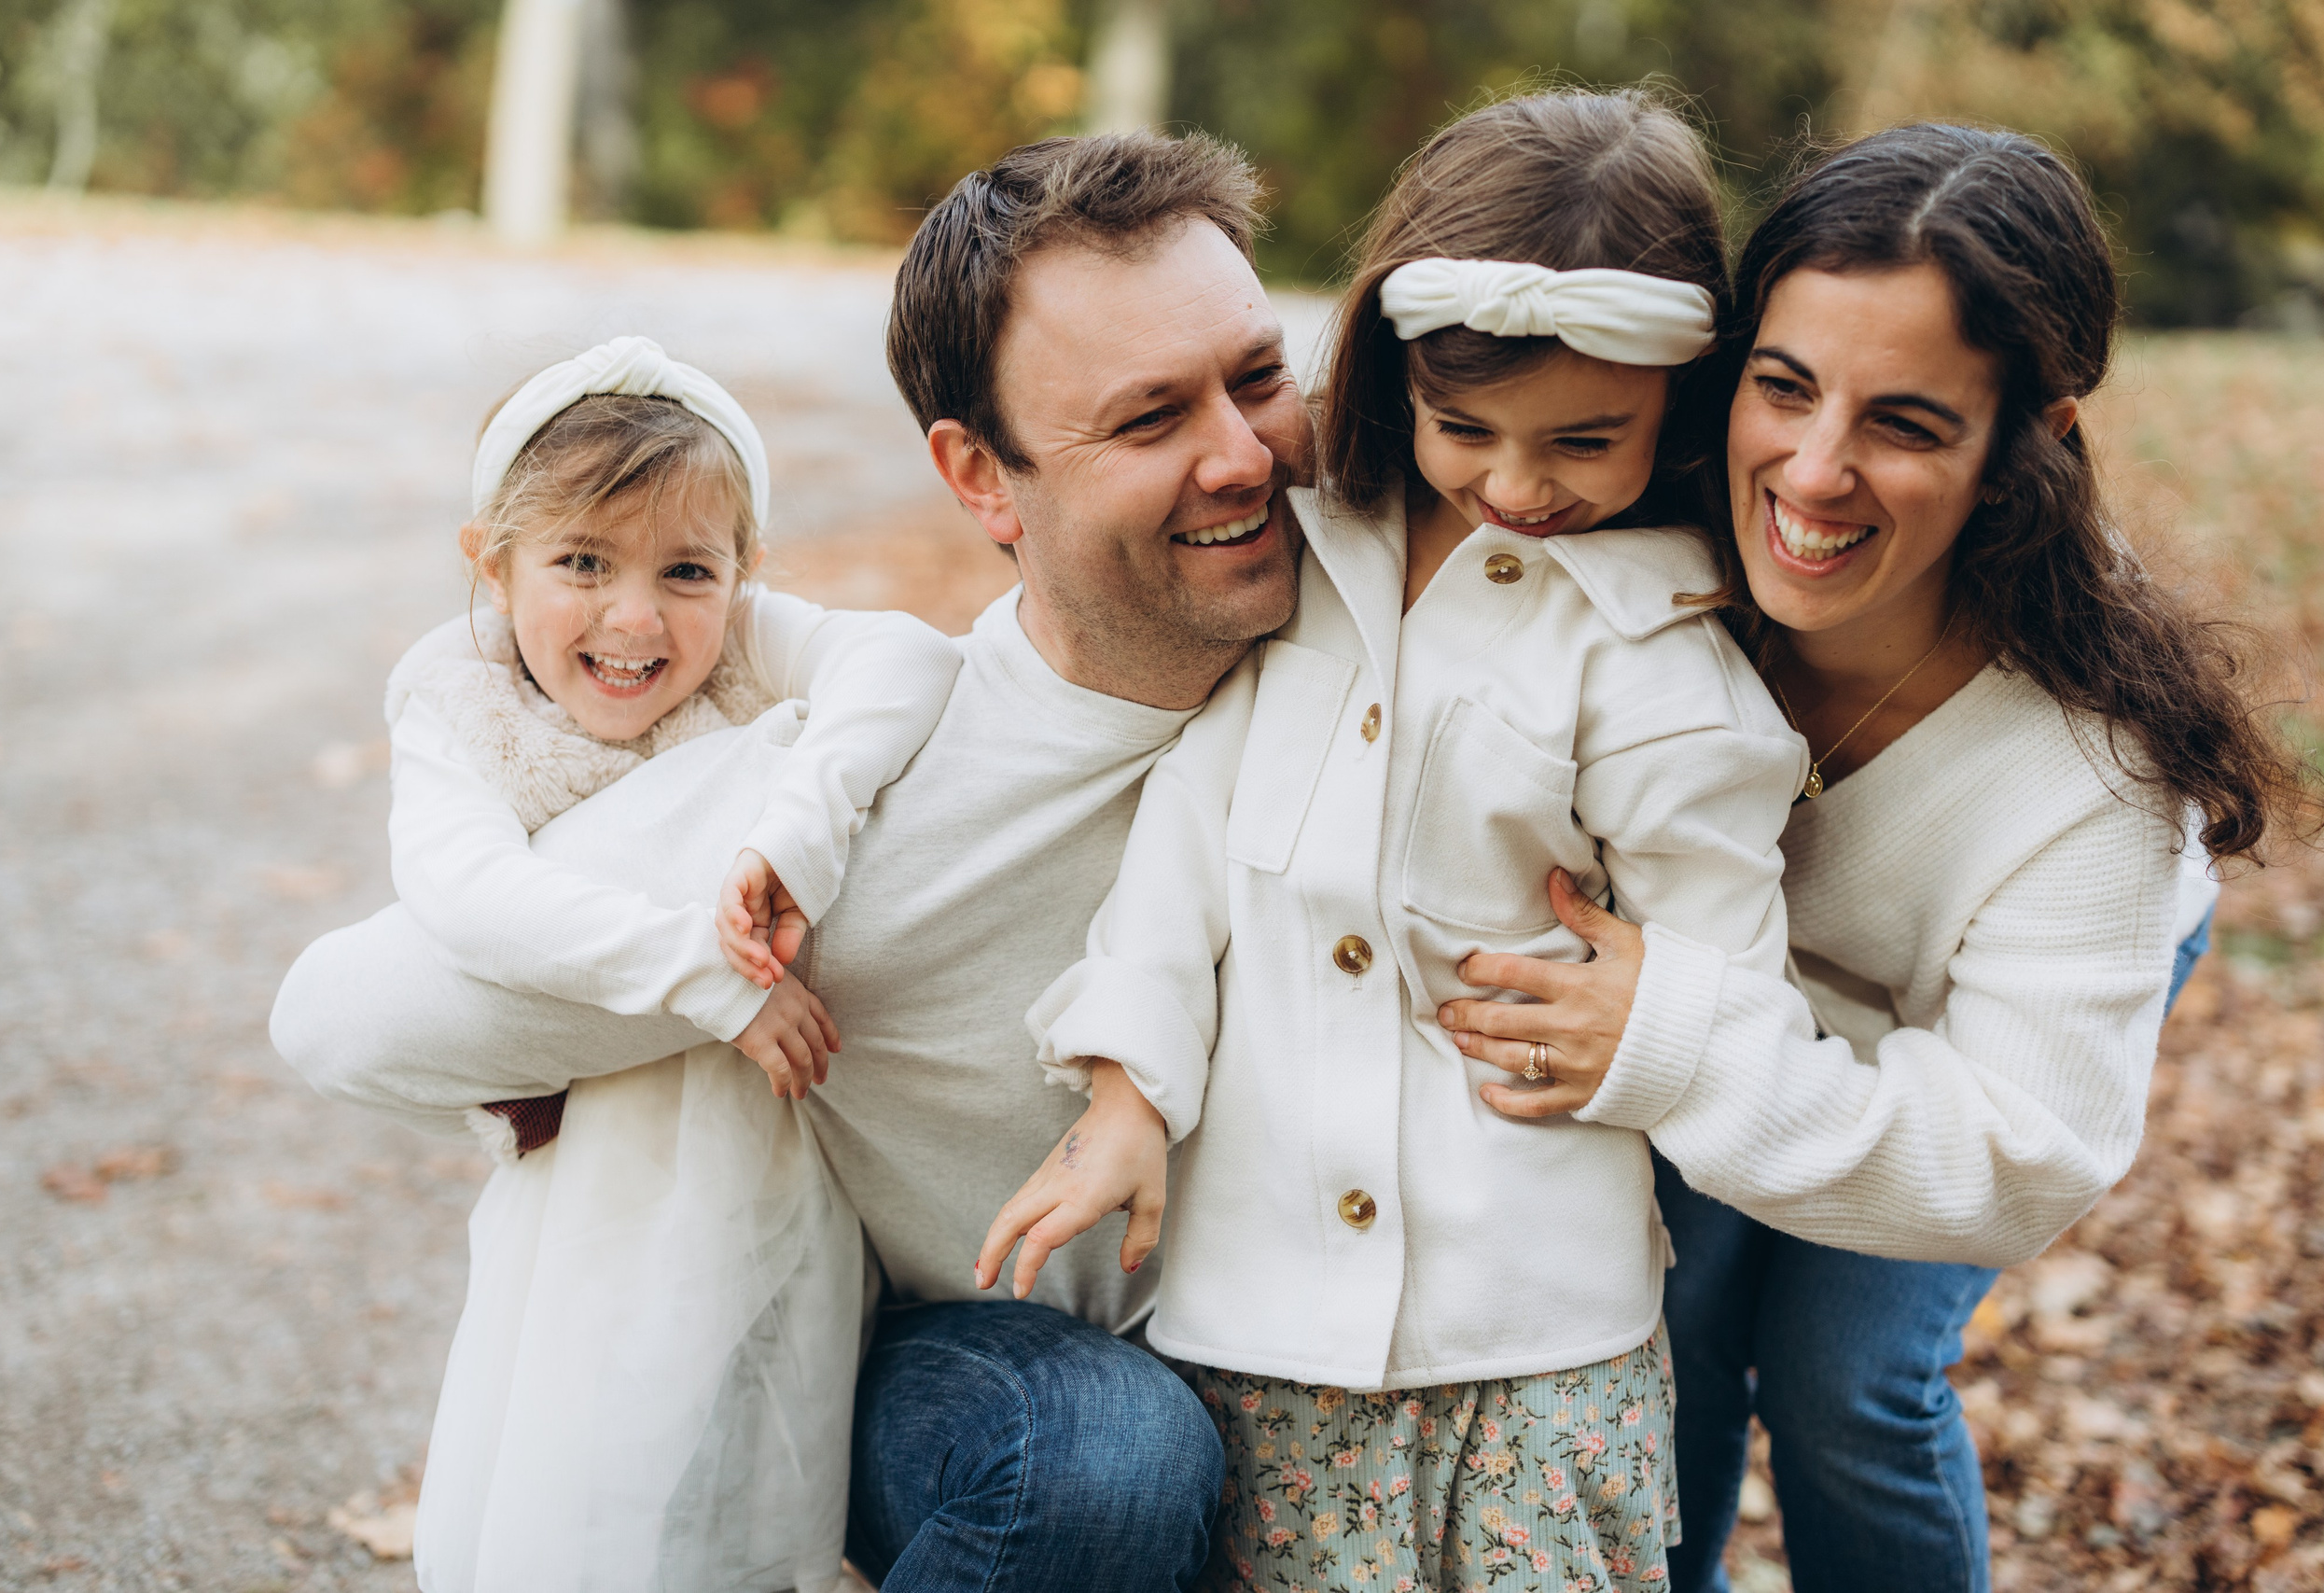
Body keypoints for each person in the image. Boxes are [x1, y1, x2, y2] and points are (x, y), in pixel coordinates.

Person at [272, 131, 1310, 1593]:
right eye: (1150, 420)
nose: (1247, 456)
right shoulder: (856, 802)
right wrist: (703, 954)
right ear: (982, 479)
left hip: (1337, 1352)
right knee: (1103, 1452)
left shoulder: (1396, 650)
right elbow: (340, 1015)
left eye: (1260, 377)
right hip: (984, 1374)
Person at [1433, 125, 2321, 1592]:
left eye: (1906, 423)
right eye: (1783, 389)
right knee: (1679, 1333)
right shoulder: (1638, 539)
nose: (1816, 472)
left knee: (1846, 1384)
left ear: (2030, 440)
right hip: (1741, 998)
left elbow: (2013, 1157)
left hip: (1971, 1039)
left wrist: (1679, 1049)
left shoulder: (2094, 778)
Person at [982, 92, 1804, 1592]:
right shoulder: (1313, 565)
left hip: (1537, 1344)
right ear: (1395, 376)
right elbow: (1185, 850)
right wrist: (1126, 1093)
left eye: (1585, 442)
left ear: (1678, 411)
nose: (1517, 484)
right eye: (1464, 428)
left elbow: (1731, 971)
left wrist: (1653, 1025)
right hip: (1262, 1317)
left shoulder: (1664, 671)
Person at [379, 336, 961, 1591]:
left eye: (687, 570)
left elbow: (911, 660)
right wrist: (704, 973)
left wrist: (796, 831)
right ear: (491, 562)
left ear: (745, 571)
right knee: (590, 1450)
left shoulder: (748, 643)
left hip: (783, 1146)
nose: (636, 617)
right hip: (599, 1158)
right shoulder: (461, 704)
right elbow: (463, 893)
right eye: (581, 563)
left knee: (761, 1454)